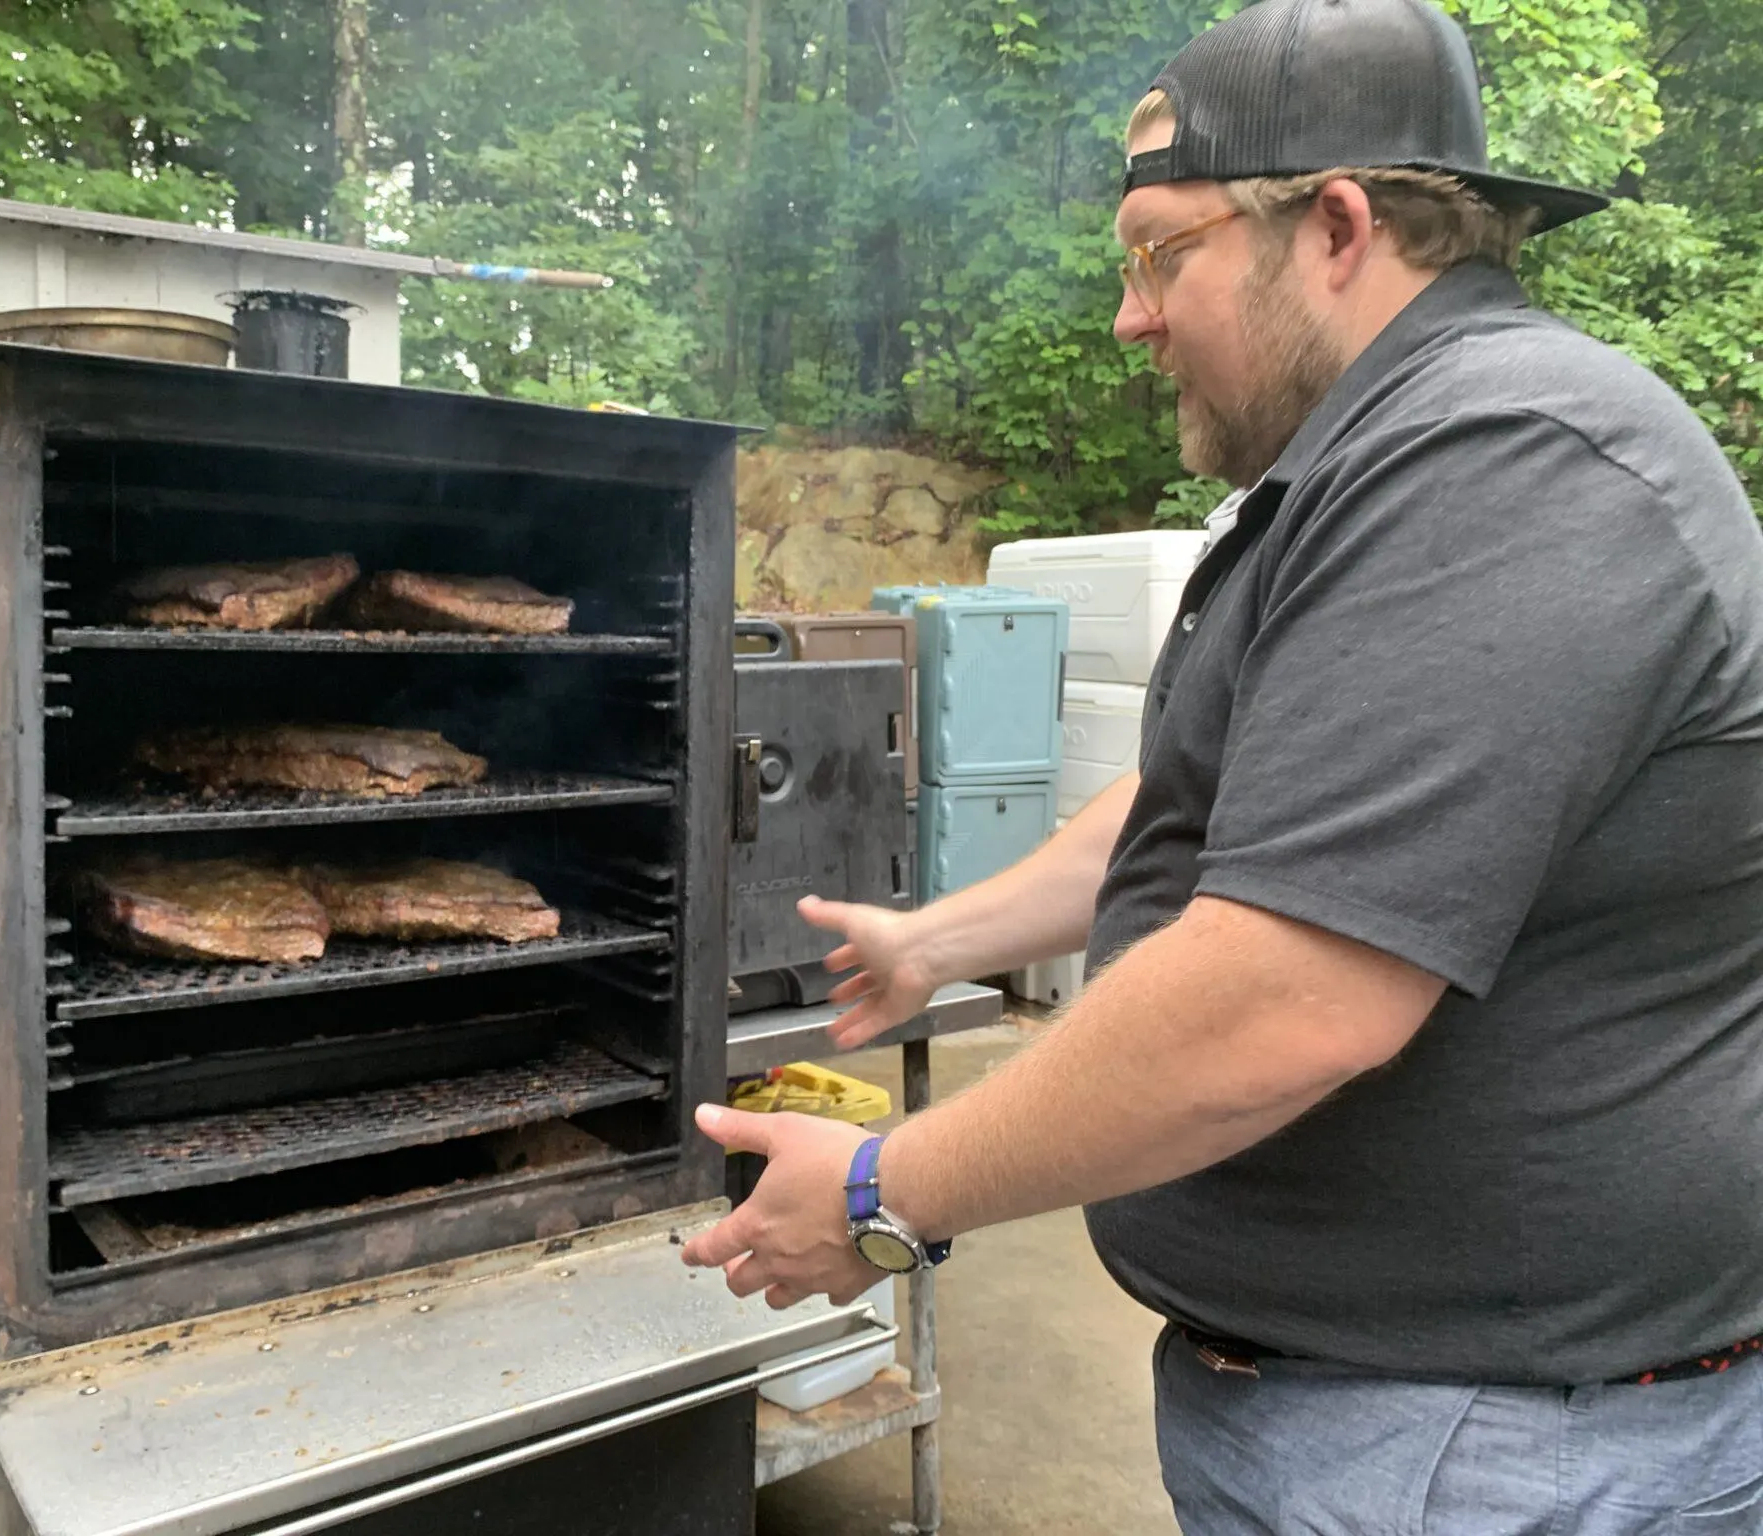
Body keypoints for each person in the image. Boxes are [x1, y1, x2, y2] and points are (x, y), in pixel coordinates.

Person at [681, 0, 1763, 1526]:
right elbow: (1215, 797)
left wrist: (879, 1194)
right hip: (1391, 1416)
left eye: (1160, 253)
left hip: (1496, 1451)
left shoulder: (1510, 463)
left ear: (1333, 226)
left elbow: (1285, 1001)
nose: (1131, 316)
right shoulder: (1375, 456)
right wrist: (944, 937)